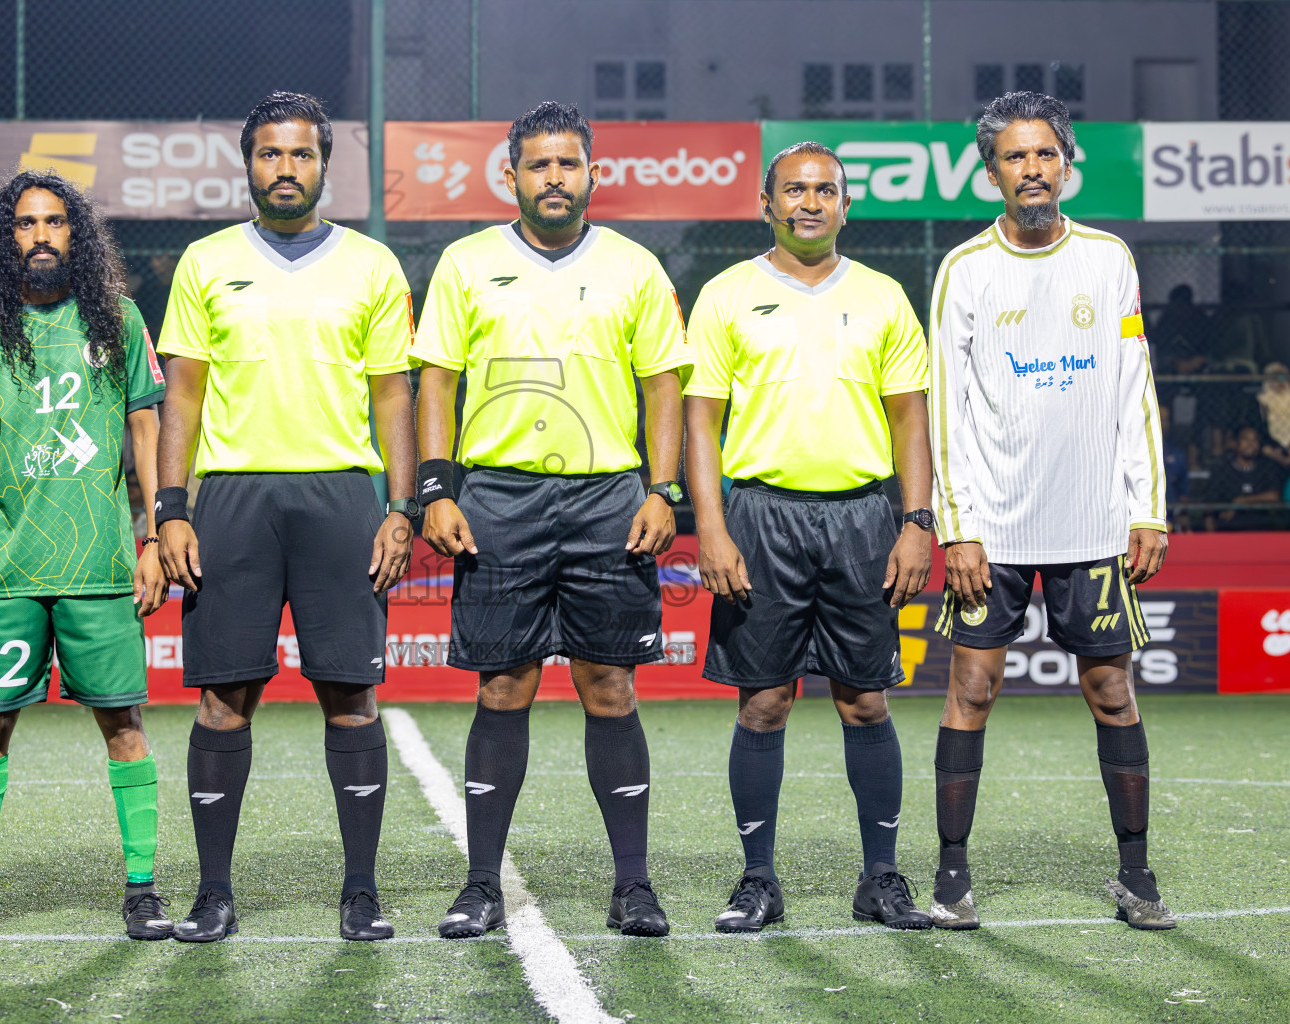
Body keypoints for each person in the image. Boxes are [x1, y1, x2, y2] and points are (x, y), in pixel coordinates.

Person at [412, 102, 690, 939]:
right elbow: (436, 382)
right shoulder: (464, 264)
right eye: (539, 166)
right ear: (512, 175)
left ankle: (633, 885)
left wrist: (663, 490)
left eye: (569, 165)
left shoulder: (635, 267)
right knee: (504, 685)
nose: (555, 179)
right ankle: (481, 885)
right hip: (497, 496)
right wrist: (435, 489)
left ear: (592, 173)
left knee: (610, 685)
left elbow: (664, 385)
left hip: (610, 497)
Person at [155, 92, 417, 944]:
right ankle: (214, 893)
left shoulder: (373, 264)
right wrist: (171, 509)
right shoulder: (204, 261)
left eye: (300, 154)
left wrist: (401, 507)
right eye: (270, 154)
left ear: (323, 163)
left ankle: (361, 891)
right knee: (224, 698)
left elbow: (392, 396)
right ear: (248, 163)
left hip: (343, 495)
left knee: (351, 694)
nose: (285, 168)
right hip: (231, 499)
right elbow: (181, 397)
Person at [927, 92, 1173, 930]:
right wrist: (956, 524)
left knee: (1111, 689)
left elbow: (1136, 388)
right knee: (972, 688)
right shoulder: (964, 269)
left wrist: (1149, 509)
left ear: (1064, 163)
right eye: (1012, 157)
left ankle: (1135, 874)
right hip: (991, 527)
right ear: (991, 172)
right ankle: (953, 875)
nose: (1030, 169)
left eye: (1043, 154)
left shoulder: (1109, 260)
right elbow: (945, 409)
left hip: (1095, 524)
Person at [684, 142, 934, 933]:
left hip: (863, 516)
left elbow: (910, 420)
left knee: (866, 701)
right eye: (795, 189)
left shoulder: (886, 296)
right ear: (768, 204)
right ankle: (757, 879)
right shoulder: (726, 295)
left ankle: (881, 878)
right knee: (762, 704)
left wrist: (917, 521)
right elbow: (700, 422)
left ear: (846, 204)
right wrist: (712, 528)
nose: (811, 202)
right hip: (760, 517)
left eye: (826, 189)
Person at [0, 170, 171, 942]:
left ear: (78, 234)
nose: (40, 236)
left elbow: (146, 431)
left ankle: (140, 889)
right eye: (26, 224)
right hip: (3, 570)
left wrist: (156, 535)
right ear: (7, 240)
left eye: (55, 222)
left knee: (123, 725)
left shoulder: (121, 321)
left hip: (99, 566)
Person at [1203, 426, 1285, 532]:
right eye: (1245, 439)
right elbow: (1209, 503)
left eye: (1254, 440)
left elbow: (1274, 496)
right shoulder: (1222, 470)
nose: (1250, 444)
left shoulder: (1265, 468)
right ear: (1236, 443)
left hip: (1260, 529)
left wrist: (1240, 501)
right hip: (1230, 530)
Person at [1254, 363, 1290, 472]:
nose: (1280, 381)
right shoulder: (1259, 403)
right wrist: (1272, 452)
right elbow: (1256, 429)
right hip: (1269, 455)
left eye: (1283, 377)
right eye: (1275, 377)